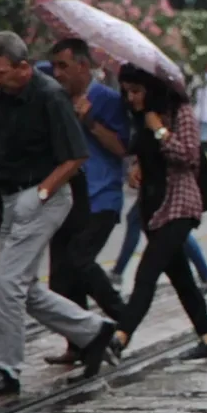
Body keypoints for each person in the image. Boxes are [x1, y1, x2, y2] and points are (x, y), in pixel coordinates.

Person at [0, 32, 119, 391]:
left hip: (44, 198)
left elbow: (76, 155)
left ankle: (6, 369)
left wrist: (42, 192)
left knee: (6, 284)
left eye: (2, 72)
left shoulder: (50, 97)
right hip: (8, 199)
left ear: (24, 67)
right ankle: (94, 331)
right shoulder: (2, 97)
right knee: (19, 286)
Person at [113, 63, 207, 362]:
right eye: (127, 92)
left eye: (137, 91)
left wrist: (159, 129)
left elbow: (188, 155)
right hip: (153, 207)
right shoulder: (140, 117)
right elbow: (144, 154)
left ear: (152, 89)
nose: (131, 98)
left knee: (147, 271)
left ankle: (121, 337)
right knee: (181, 278)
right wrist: (137, 168)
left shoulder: (180, 112)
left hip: (180, 204)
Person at [44, 38, 131, 366]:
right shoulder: (55, 99)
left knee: (80, 260)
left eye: (64, 66)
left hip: (100, 197)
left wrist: (91, 121)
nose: (58, 73)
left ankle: (123, 318)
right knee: (61, 276)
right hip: (64, 198)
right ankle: (77, 344)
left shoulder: (106, 100)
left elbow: (122, 148)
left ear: (83, 65)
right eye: (55, 67)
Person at [111, 201, 207, 294]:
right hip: (169, 184)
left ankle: (117, 274)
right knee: (175, 225)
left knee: (173, 225)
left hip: (165, 183)